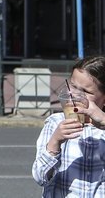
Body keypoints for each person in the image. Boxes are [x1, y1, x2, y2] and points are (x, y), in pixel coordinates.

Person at [32, 55, 105, 197]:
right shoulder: (55, 123)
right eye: (72, 86)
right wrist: (55, 142)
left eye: (85, 91)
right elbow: (40, 177)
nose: (74, 95)